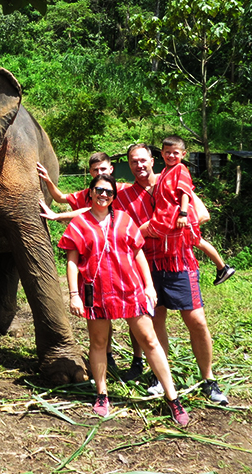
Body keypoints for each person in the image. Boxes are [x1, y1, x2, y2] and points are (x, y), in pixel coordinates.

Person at [58, 173, 189, 425]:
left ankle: (173, 399)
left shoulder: (125, 220)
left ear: (113, 196)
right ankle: (102, 394)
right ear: (90, 192)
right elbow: (72, 262)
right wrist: (74, 294)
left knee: (150, 340)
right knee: (98, 342)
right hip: (96, 292)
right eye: (99, 190)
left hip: (129, 290)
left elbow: (138, 253)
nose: (103, 195)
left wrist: (149, 286)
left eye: (109, 191)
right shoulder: (79, 224)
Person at [128, 143, 229, 406]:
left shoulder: (172, 180)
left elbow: (203, 215)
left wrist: (162, 223)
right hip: (147, 266)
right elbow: (96, 207)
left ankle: (209, 380)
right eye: (133, 162)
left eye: (143, 160)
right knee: (156, 320)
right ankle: (160, 377)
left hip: (178, 261)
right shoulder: (125, 194)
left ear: (153, 160)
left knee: (196, 321)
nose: (139, 166)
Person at [37, 152, 139, 373]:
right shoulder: (89, 193)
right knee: (102, 314)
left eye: (103, 169)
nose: (100, 174)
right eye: (95, 171)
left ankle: (138, 359)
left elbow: (100, 210)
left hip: (126, 258)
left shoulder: (123, 188)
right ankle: (107, 357)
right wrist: (47, 180)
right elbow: (62, 198)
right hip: (99, 264)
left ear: (111, 169)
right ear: (91, 174)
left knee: (136, 315)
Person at [149, 136, 235, 286]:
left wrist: (183, 214)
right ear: (162, 153)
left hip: (179, 215)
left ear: (183, 154)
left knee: (196, 241)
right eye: (167, 152)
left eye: (175, 152)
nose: (171, 156)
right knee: (196, 241)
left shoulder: (180, 169)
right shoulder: (164, 172)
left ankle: (221, 267)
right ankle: (221, 267)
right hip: (170, 216)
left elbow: (185, 192)